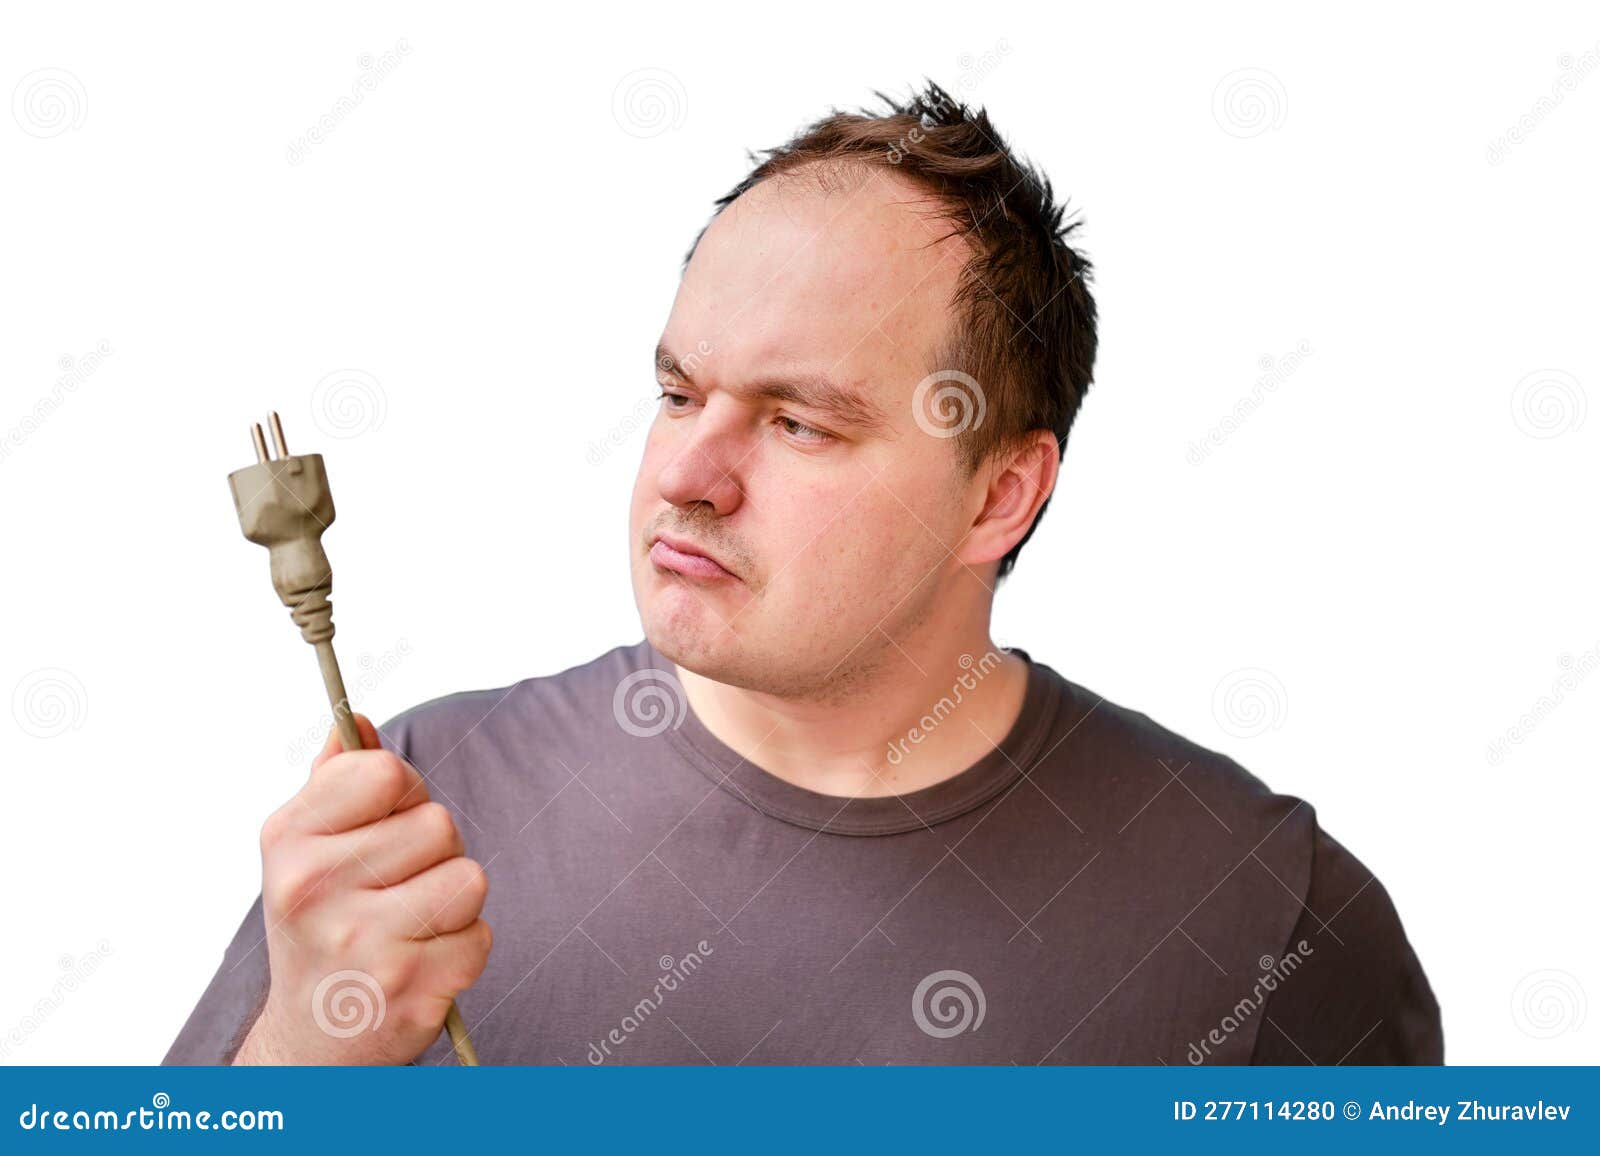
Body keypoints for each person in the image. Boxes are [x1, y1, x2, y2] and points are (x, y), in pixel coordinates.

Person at [166, 82, 1441, 1066]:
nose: (687, 473)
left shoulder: (1268, 916)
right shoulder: (413, 814)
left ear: (1000, 493)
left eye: (798, 424)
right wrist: (301, 1053)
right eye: (678, 392)